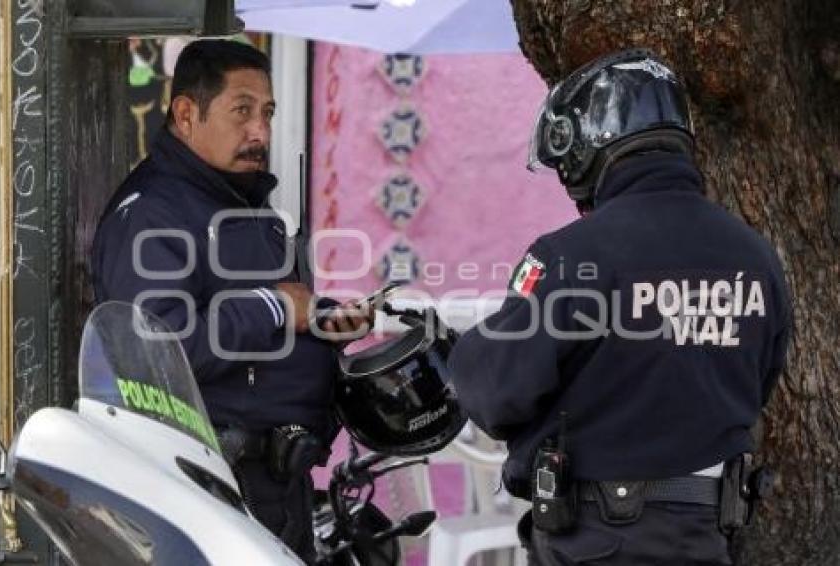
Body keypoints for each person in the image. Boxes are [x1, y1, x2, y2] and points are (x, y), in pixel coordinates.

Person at [448, 48, 792, 565]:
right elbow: (758, 381)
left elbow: (494, 391)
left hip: (598, 541)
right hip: (707, 539)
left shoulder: (572, 256)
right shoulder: (758, 258)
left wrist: (459, 352)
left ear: (587, 148)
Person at [92, 39, 370, 563]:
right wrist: (278, 308)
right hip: (211, 488)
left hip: (274, 485)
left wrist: (321, 318)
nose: (260, 131)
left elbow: (262, 311)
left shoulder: (236, 200)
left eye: (266, 112)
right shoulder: (154, 214)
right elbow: (159, 347)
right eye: (241, 111)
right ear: (186, 114)